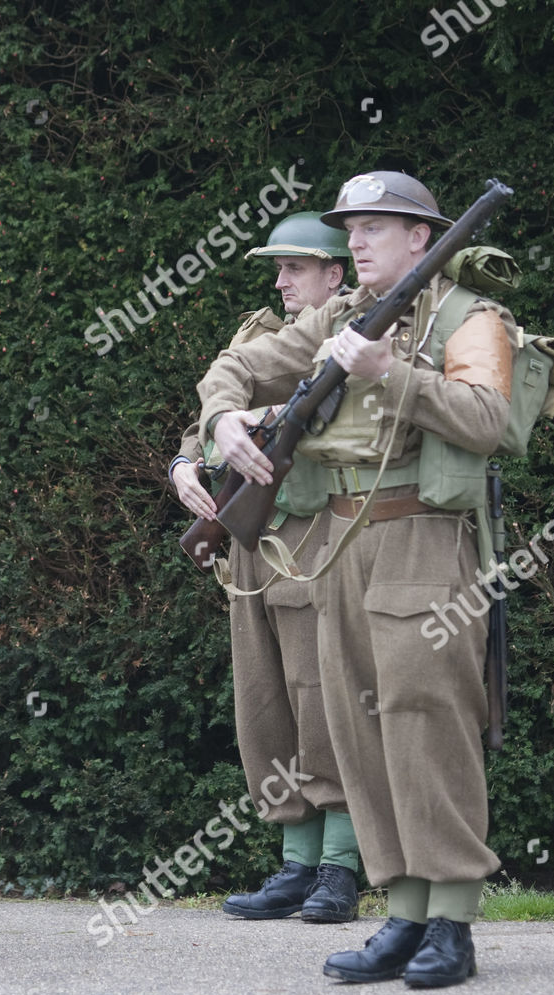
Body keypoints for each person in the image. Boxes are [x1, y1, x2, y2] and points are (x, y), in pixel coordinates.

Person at [200, 172, 513, 987]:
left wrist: (387, 372)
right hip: (336, 545)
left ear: (422, 237)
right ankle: (403, 917)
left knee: (426, 725)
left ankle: (452, 922)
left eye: (376, 226)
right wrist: (223, 419)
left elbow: (491, 422)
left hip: (422, 542)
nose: (357, 240)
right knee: (359, 733)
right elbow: (237, 365)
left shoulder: (468, 318)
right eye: (353, 226)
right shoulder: (337, 317)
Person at [172, 212, 362, 925]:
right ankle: (295, 862)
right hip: (249, 541)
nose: (280, 281)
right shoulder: (255, 336)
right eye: (277, 269)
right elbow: (203, 419)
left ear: (334, 274)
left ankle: (340, 868)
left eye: (295, 268)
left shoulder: (358, 334)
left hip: (320, 535)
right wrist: (185, 464)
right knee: (264, 704)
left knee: (324, 701)